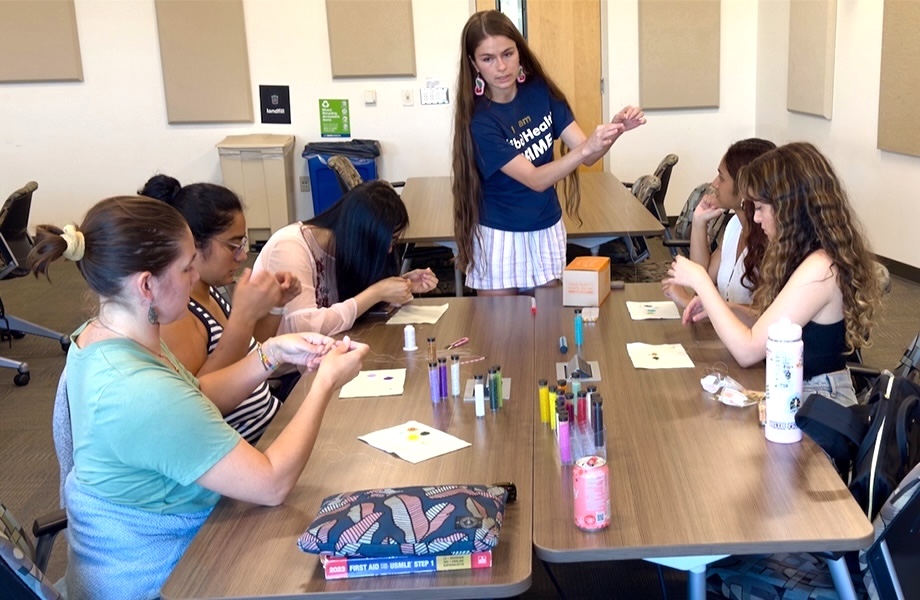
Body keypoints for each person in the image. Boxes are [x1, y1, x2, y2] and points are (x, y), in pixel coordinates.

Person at [30, 196, 367, 599]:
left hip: (127, 561)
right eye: (187, 267)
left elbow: (194, 394)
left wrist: (271, 354)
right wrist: (326, 381)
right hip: (161, 580)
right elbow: (271, 483)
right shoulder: (139, 390)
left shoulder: (102, 336)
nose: (195, 279)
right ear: (146, 285)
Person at [665, 142, 882, 407]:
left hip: (820, 401)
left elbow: (747, 350)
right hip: (794, 386)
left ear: (788, 208)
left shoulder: (820, 269)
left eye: (761, 208)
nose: (755, 218)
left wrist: (700, 280)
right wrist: (724, 307)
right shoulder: (802, 255)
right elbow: (769, 322)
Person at [452, 10, 645, 296]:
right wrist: (586, 148)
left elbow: (589, 154)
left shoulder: (539, 90)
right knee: (500, 331)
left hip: (546, 227)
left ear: (520, 52)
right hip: (499, 234)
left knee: (549, 326)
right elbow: (535, 179)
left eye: (508, 54)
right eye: (488, 59)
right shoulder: (481, 121)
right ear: (474, 64)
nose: (501, 67)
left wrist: (613, 130)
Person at [140, 175, 301, 443]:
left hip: (270, 422)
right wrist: (243, 315)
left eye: (243, 243)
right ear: (193, 242)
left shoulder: (212, 288)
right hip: (249, 445)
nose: (242, 255)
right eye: (232, 245)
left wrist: (275, 306)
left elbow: (248, 352)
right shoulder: (178, 314)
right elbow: (199, 401)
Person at [253, 180, 438, 336]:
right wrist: (376, 292)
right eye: (388, 241)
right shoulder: (290, 248)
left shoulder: (343, 247)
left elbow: (352, 302)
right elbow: (306, 327)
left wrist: (399, 285)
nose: (389, 250)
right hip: (286, 371)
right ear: (360, 236)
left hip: (324, 353)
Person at [661, 138, 776, 309]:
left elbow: (762, 314)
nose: (714, 184)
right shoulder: (734, 226)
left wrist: (689, 303)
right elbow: (703, 279)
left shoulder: (770, 238)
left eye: (721, 178)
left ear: (744, 186)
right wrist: (699, 222)